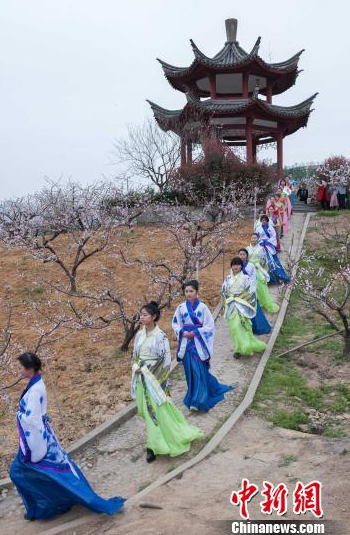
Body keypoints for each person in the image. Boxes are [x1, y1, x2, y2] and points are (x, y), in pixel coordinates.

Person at [10, 353, 125, 521]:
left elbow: (32, 419)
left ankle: (48, 505)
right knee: (54, 473)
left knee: (18, 473)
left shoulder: (35, 391)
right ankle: (47, 503)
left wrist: (19, 415)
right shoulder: (36, 384)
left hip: (35, 441)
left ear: (29, 369)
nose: (18, 371)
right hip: (40, 437)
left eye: (20, 367)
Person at [132, 301, 202, 463]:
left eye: (145, 315)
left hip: (154, 380)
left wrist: (151, 374)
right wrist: (136, 366)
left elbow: (165, 361)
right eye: (141, 315)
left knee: (153, 412)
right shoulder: (139, 335)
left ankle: (153, 446)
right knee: (145, 410)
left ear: (154, 317)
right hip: (141, 378)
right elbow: (135, 355)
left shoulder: (160, 336)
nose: (141, 318)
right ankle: (164, 437)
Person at [172, 281, 233, 411]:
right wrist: (183, 332)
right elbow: (176, 324)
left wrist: (195, 332)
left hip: (198, 343)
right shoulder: (181, 308)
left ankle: (198, 400)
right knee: (189, 371)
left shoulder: (203, 308)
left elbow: (210, 326)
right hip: (186, 343)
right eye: (186, 291)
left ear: (197, 292)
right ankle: (195, 392)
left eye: (191, 291)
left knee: (198, 370)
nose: (188, 294)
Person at [221, 257, 267, 359]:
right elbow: (223, 291)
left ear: (241, 266)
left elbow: (250, 293)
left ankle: (245, 346)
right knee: (234, 328)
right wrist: (228, 298)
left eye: (237, 264)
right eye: (233, 264)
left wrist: (240, 299)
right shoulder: (228, 279)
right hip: (231, 306)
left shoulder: (246, 278)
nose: (235, 266)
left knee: (241, 326)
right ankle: (238, 348)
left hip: (242, 305)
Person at [238, 248, 271, 335]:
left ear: (247, 256)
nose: (241, 256)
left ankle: (257, 327)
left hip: (249, 291)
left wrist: (250, 291)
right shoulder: (236, 265)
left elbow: (253, 279)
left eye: (243, 254)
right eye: (240, 254)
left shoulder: (250, 266)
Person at [247, 233, 279, 314]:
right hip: (249, 269)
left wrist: (263, 269)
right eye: (252, 238)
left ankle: (264, 302)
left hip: (258, 268)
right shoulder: (247, 249)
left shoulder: (261, 249)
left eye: (255, 238)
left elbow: (264, 260)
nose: (253, 239)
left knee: (261, 286)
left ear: (258, 239)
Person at [255, 215, 291, 284]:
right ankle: (264, 279)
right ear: (261, 221)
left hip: (269, 246)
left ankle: (276, 277)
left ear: (267, 221)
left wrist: (268, 241)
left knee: (272, 262)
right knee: (262, 262)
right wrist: (260, 242)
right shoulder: (258, 228)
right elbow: (256, 237)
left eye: (265, 220)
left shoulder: (271, 228)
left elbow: (274, 236)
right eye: (262, 220)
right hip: (261, 246)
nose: (264, 221)